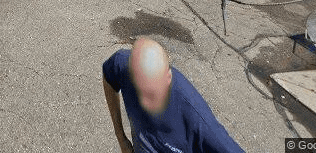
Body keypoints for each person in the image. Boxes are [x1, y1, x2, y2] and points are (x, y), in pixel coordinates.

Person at [103, 37, 245, 152]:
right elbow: (108, 75)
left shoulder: (200, 124)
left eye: (152, 93)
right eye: (140, 91)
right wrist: (121, 138)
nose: (146, 104)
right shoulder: (122, 64)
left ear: (168, 78)